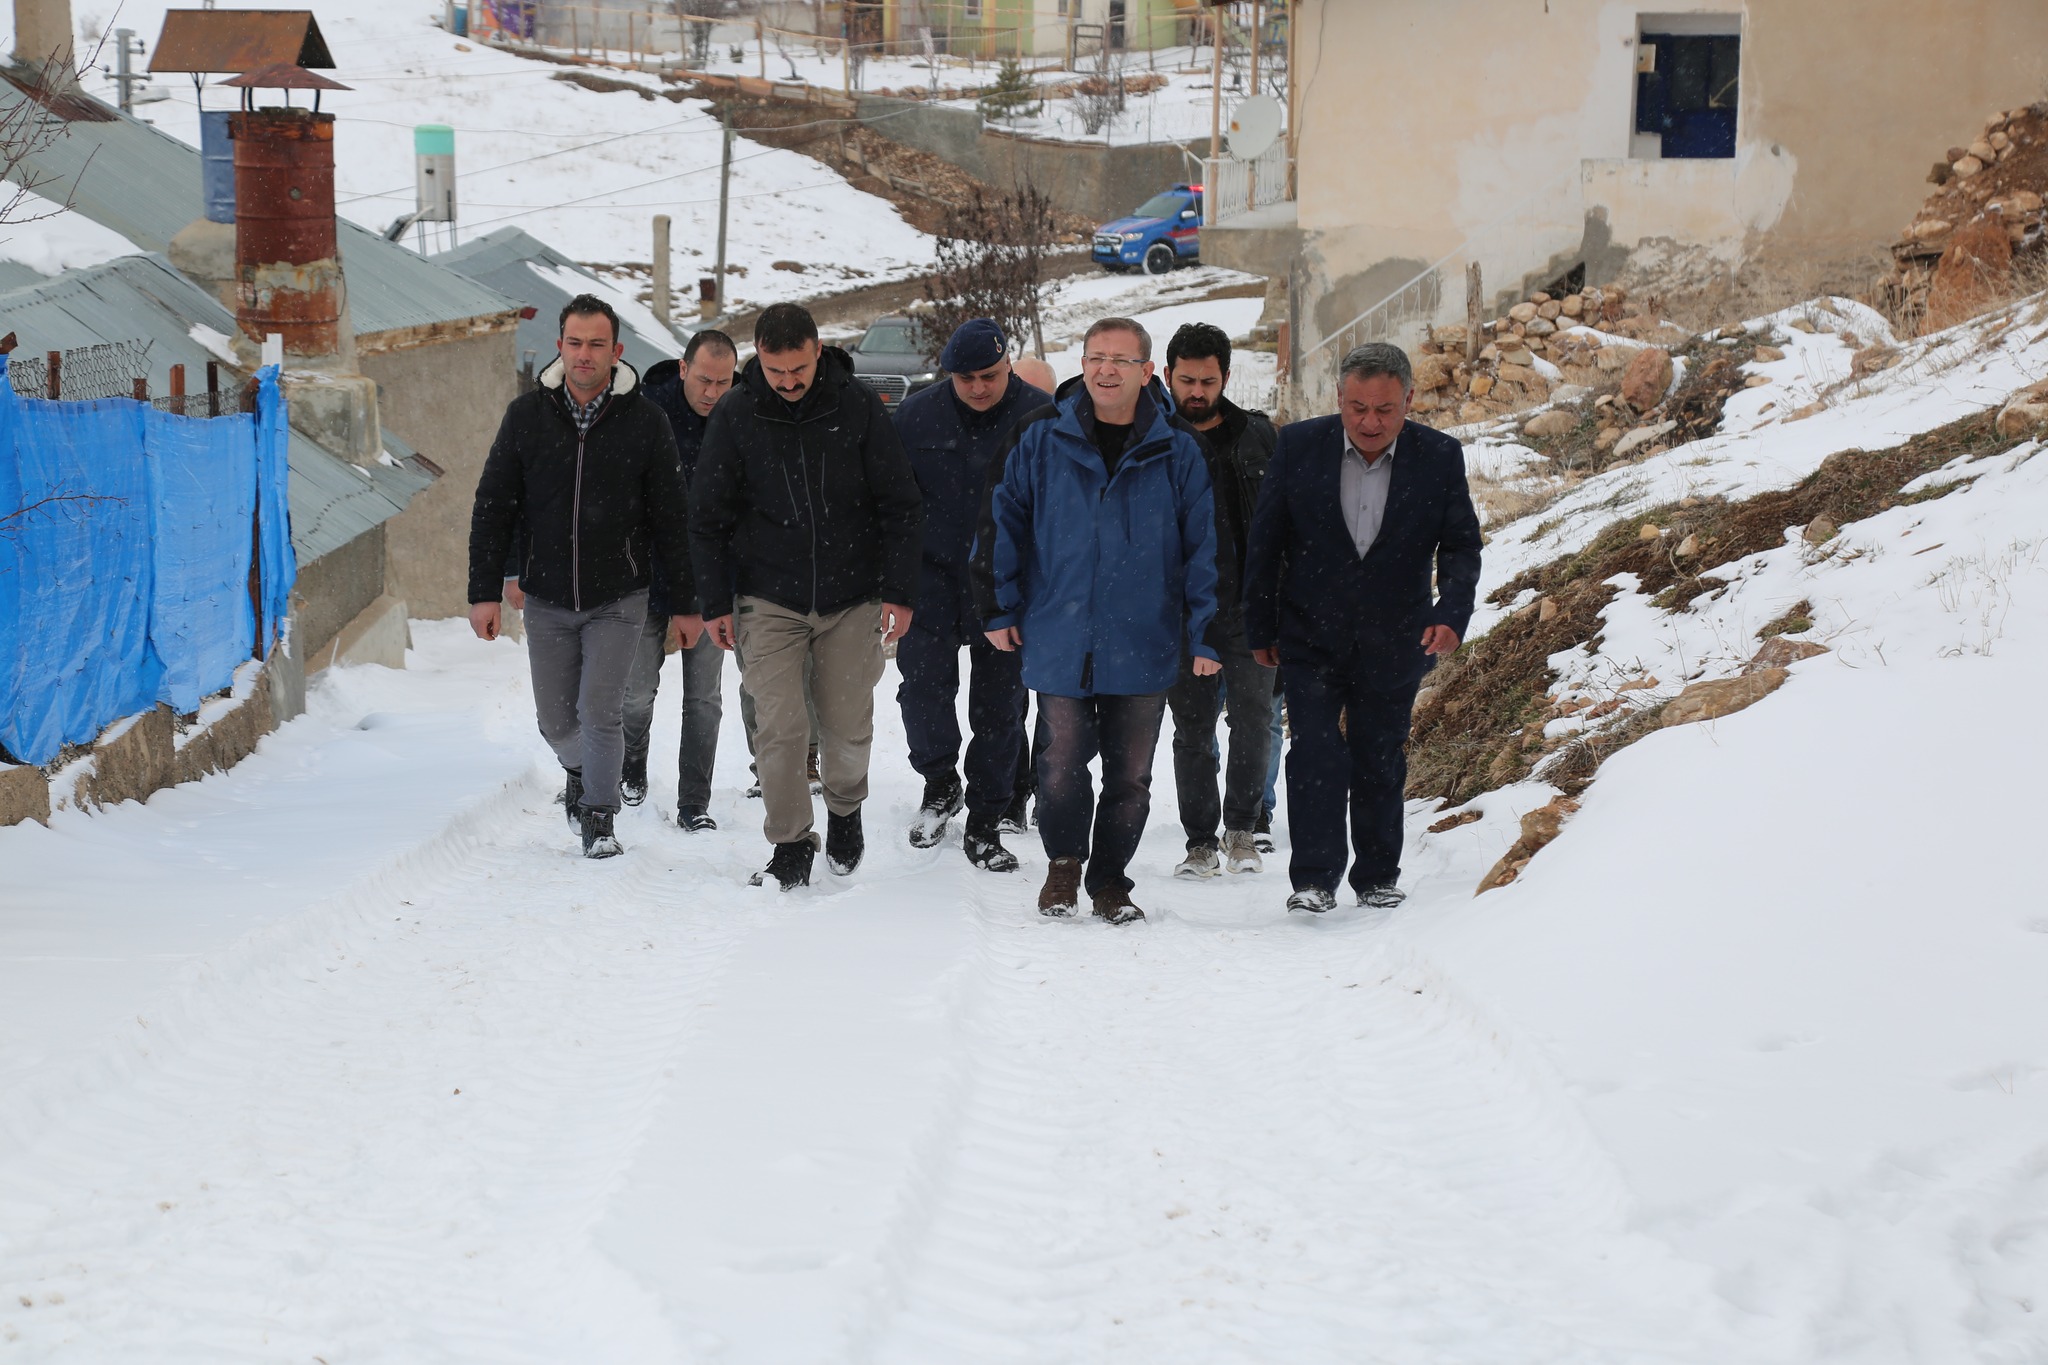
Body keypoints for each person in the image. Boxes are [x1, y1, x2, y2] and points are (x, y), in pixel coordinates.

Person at [974, 317, 1219, 925]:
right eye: (1096, 357)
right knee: (1058, 764)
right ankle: (1063, 863)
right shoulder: (1039, 437)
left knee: (1131, 776)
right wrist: (998, 604)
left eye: (1121, 360)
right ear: (1082, 364)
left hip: (1144, 636)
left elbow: (1205, 548)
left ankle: (1110, 881)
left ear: (1148, 372)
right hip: (1060, 631)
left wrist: (1207, 630)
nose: (1106, 369)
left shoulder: (1178, 448)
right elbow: (1002, 522)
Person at [1242, 342, 1483, 914]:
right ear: (1340, 400)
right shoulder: (1298, 446)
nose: (1370, 422)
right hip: (1309, 635)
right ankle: (1314, 880)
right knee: (1316, 755)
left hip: (1397, 636)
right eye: (1357, 408)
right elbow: (1266, 541)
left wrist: (1452, 613)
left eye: (1385, 410)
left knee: (1379, 755)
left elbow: (1460, 546)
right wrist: (1260, 625)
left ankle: (1376, 875)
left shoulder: (1439, 456)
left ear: (1409, 401)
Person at [691, 303, 923, 890]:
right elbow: (708, 517)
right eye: (776, 372)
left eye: (798, 369)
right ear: (759, 361)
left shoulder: (858, 406)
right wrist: (717, 601)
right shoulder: (737, 414)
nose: (789, 383)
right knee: (780, 727)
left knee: (846, 725)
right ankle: (790, 842)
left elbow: (899, 503)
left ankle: (845, 811)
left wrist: (897, 589)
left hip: (852, 596)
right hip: (768, 598)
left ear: (818, 351)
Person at [468, 294, 700, 859]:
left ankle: (600, 818)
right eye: (575, 343)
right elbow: (494, 503)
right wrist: (485, 590)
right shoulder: (527, 416)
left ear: (616, 351)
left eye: (597, 344)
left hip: (620, 594)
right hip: (546, 597)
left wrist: (688, 603)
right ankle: (579, 770)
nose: (585, 355)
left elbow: (672, 517)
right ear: (560, 347)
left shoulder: (646, 421)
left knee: (601, 710)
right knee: (555, 720)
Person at [892, 319, 1050, 871]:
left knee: (1000, 707)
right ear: (948, 375)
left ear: (1009, 365)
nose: (979, 387)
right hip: (929, 578)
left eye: (990, 375)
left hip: (1007, 584)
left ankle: (987, 819)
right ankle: (940, 784)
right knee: (922, 690)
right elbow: (891, 506)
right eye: (966, 379)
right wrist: (892, 585)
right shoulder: (914, 418)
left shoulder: (1042, 417)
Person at [1159, 322, 1279, 880]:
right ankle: (1200, 841)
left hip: (1251, 608)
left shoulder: (1260, 436)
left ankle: (1243, 830)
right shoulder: (1154, 437)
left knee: (1254, 720)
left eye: (1208, 380)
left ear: (1226, 377)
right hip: (1183, 613)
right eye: (1187, 379)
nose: (1197, 391)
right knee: (1192, 729)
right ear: (1166, 375)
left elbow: (1285, 526)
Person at [608, 329, 736, 830]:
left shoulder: (741, 419)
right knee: (636, 692)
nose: (712, 392)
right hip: (644, 576)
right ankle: (632, 761)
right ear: (684, 369)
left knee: (704, 698)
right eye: (704, 379)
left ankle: (694, 803)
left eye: (723, 382)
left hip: (711, 582)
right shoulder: (644, 416)